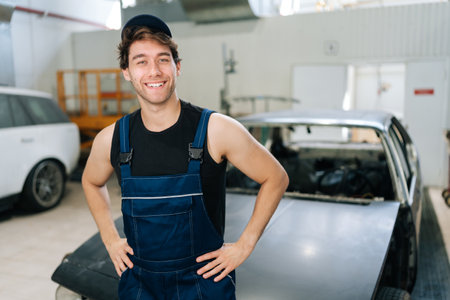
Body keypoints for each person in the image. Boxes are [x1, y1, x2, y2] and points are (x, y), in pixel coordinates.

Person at [82, 14, 289, 300]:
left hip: (203, 286)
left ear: (177, 67)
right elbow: (91, 182)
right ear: (127, 71)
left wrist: (245, 244)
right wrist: (110, 238)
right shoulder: (113, 139)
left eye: (163, 59)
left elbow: (275, 177)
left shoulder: (216, 130)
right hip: (140, 286)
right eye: (141, 61)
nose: (153, 70)